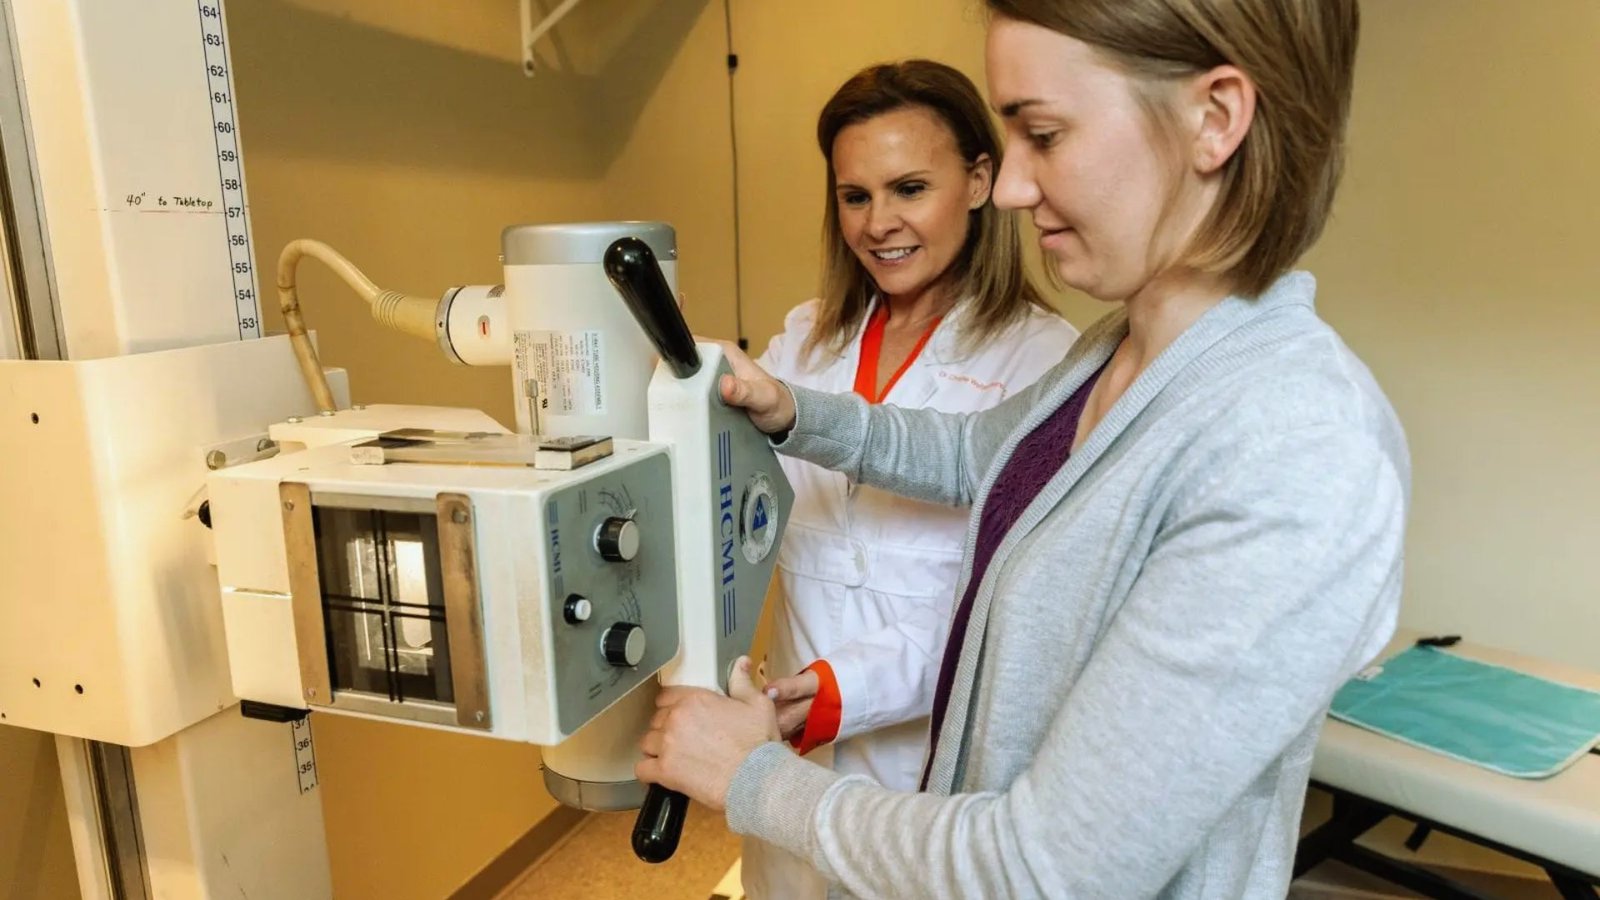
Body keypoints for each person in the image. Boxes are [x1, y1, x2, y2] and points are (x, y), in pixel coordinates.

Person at [640, 1, 1410, 897]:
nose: (1006, 187)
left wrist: (754, 780)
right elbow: (976, 457)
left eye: (1042, 133)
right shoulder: (1124, 350)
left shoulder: (1295, 448)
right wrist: (791, 412)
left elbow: (1048, 869)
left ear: (1216, 119)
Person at [743, 60, 1078, 900]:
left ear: (978, 180)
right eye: (855, 196)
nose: (878, 223)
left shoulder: (1041, 362)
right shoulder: (805, 343)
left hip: (927, 757)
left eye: (909, 188)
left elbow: (1001, 611)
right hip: (790, 731)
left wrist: (831, 694)